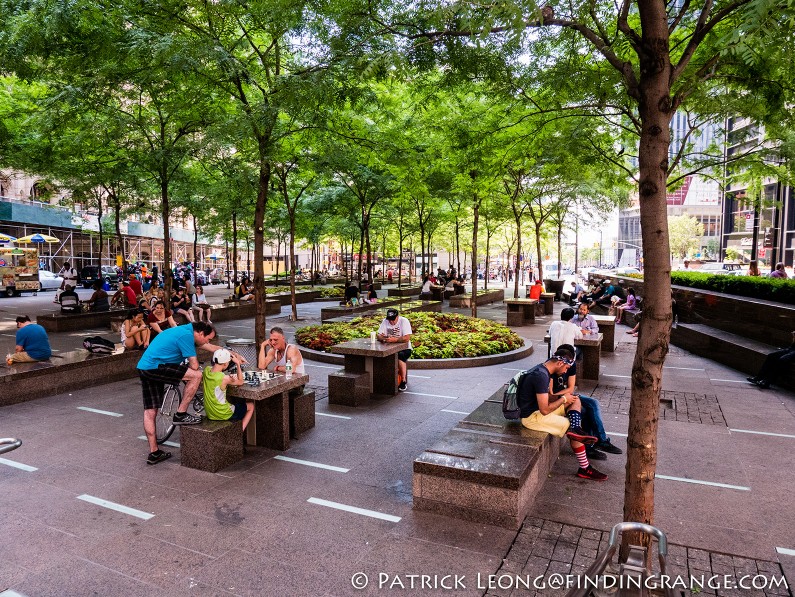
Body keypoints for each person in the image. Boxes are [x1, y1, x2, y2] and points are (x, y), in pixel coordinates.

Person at [137, 322, 227, 465]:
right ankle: (181, 414)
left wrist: (230, 353)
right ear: (200, 333)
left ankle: (154, 453)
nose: (208, 342)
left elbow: (207, 346)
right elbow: (195, 366)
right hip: (156, 367)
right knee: (196, 375)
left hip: (145, 366)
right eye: (208, 338)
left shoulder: (185, 331)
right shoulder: (186, 336)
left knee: (150, 411)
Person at [516, 347, 606, 480]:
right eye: (566, 367)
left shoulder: (543, 370)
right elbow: (544, 410)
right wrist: (563, 399)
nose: (566, 370)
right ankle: (584, 468)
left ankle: (576, 428)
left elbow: (547, 399)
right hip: (532, 418)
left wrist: (567, 398)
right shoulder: (541, 376)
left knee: (575, 400)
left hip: (539, 411)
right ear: (559, 363)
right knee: (570, 426)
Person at [549, 344, 623, 462]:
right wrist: (564, 397)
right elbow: (550, 394)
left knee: (593, 403)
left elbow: (571, 388)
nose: (568, 368)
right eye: (567, 365)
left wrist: (567, 395)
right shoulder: (552, 367)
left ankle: (601, 441)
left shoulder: (570, 365)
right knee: (584, 411)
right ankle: (589, 446)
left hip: (566, 395)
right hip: (558, 399)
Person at [202, 348, 253, 430]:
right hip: (224, 413)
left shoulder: (206, 370)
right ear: (225, 364)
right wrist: (237, 364)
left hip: (210, 413)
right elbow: (240, 381)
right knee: (251, 406)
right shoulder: (223, 378)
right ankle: (240, 431)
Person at [377, 308, 412, 392]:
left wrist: (395, 340)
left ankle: (403, 380)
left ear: (397, 317)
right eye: (390, 320)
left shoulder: (404, 321)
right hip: (389, 347)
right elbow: (379, 336)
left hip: (405, 348)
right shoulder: (385, 321)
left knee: (400, 355)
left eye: (393, 320)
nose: (391, 322)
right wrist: (384, 338)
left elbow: (406, 338)